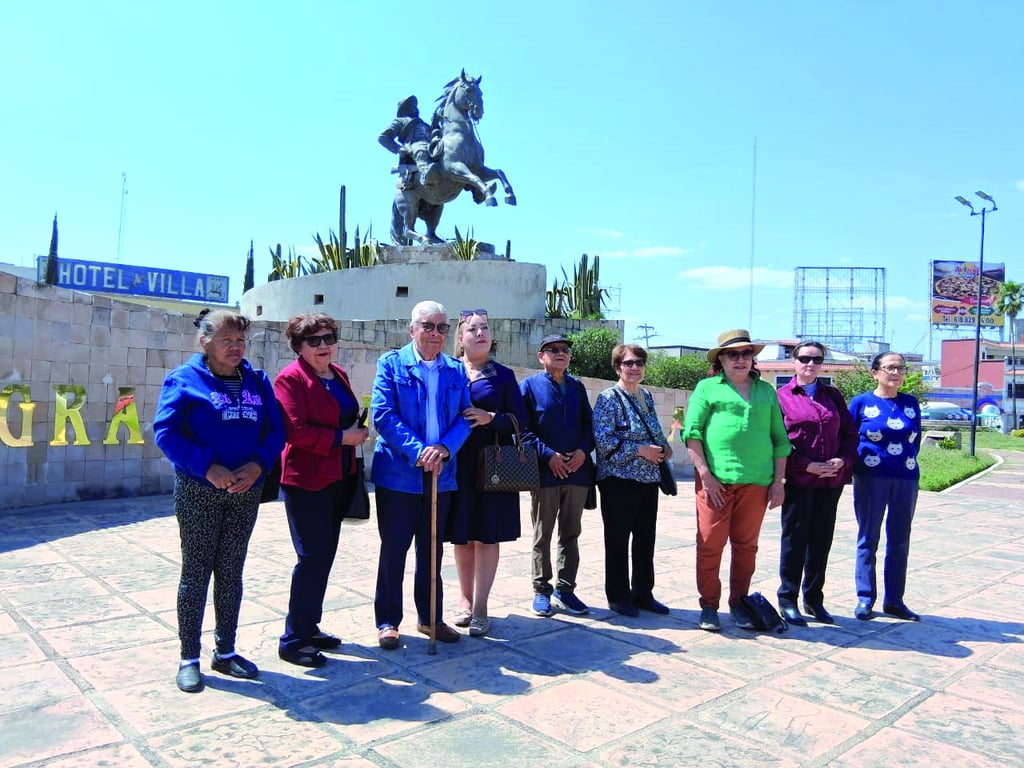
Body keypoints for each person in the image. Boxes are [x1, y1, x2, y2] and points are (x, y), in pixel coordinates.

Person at [154, 310, 285, 693]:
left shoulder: (257, 381)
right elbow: (166, 432)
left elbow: (275, 430)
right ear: (205, 341)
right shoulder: (184, 380)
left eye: (241, 341)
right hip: (200, 489)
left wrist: (257, 465)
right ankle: (188, 657)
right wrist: (206, 467)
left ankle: (225, 652)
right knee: (196, 572)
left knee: (231, 571)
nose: (235, 348)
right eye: (227, 341)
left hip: (244, 490)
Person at [370, 300, 472, 649]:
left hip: (440, 475)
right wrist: (419, 451)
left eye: (442, 327)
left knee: (432, 552)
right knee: (394, 548)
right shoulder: (391, 364)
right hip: (399, 475)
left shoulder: (456, 371)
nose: (435, 333)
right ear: (412, 329)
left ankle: (430, 617)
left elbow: (466, 418)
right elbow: (383, 415)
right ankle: (388, 621)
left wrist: (444, 448)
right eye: (427, 326)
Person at [273, 313, 370, 667]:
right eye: (314, 341)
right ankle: (293, 640)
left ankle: (309, 627)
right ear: (298, 346)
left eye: (329, 338)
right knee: (311, 558)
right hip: (306, 480)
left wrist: (355, 429)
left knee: (324, 557)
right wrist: (343, 437)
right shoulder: (290, 379)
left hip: (339, 476)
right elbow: (295, 431)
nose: (323, 346)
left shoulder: (339, 374)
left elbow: (342, 414)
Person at [683, 329, 791, 632]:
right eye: (734, 354)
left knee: (746, 547)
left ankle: (739, 604)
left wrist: (778, 482)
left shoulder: (766, 391)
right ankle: (708, 605)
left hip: (756, 482)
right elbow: (691, 433)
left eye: (747, 354)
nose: (741, 359)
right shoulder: (707, 388)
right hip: (715, 483)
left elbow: (779, 439)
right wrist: (705, 475)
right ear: (722, 359)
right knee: (709, 545)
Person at [447, 309, 527, 637]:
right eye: (473, 328)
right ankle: (464, 601)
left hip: (493, 464)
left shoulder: (504, 376)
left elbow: (521, 421)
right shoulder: (448, 370)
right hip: (456, 462)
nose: (480, 333)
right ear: (461, 338)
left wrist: (490, 418)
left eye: (485, 328)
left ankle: (481, 607)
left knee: (487, 535)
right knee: (462, 534)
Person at [774, 342, 859, 625]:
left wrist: (842, 461)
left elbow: (850, 434)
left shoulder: (832, 396)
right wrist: (804, 464)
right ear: (793, 362)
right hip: (799, 481)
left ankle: (813, 599)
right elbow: (777, 440)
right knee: (794, 540)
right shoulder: (781, 397)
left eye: (816, 360)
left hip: (830, 482)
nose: (810, 364)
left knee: (821, 541)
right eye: (804, 359)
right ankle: (788, 598)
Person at [592, 344, 674, 616]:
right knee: (617, 540)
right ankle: (618, 596)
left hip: (647, 479)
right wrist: (640, 450)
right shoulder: (609, 398)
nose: (634, 368)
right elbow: (604, 442)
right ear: (618, 367)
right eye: (628, 363)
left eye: (639, 363)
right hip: (619, 480)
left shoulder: (646, 396)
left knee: (645, 539)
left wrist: (664, 447)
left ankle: (643, 593)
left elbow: (654, 430)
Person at [519, 334, 595, 617]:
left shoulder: (577, 387)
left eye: (564, 350)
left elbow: (590, 425)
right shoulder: (529, 386)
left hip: (576, 473)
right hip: (545, 473)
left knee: (571, 533)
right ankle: (541, 590)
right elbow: (522, 430)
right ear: (541, 356)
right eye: (553, 350)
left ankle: (566, 589)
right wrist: (548, 455)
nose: (560, 354)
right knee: (543, 534)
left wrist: (583, 452)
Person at [848, 352, 922, 622]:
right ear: (875, 372)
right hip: (870, 478)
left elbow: (915, 440)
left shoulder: (911, 403)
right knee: (869, 537)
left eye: (900, 368)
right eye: (890, 367)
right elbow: (848, 437)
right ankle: (865, 598)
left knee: (900, 539)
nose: (896, 372)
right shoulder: (861, 403)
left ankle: (895, 600)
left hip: (906, 478)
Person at [378, 95, 438, 188]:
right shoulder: (401, 121)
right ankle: (425, 175)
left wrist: (435, 125)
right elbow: (383, 137)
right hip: (414, 149)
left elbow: (433, 136)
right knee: (421, 149)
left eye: (415, 105)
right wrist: (398, 149)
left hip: (430, 148)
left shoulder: (424, 124)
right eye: (412, 105)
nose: (416, 108)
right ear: (406, 108)